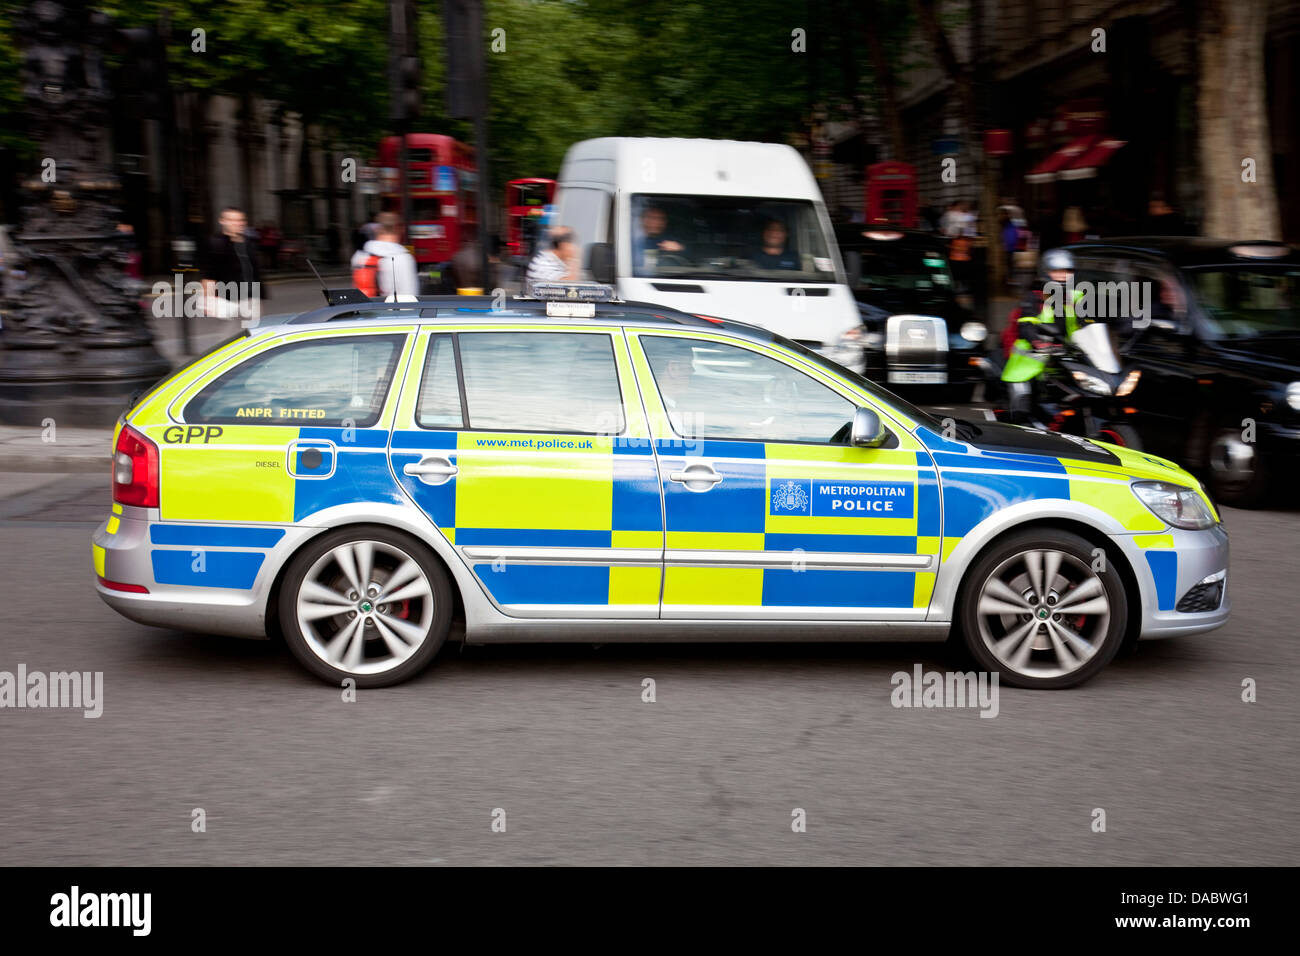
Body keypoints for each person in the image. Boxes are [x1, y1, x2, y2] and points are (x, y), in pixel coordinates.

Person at [1000, 248, 1091, 419]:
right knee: (1022, 407)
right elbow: (1026, 325)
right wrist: (1038, 342)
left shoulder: (1077, 296)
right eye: (1057, 271)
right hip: (1030, 360)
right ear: (1046, 272)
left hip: (1065, 357)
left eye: (1067, 271)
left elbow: (1093, 319)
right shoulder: (1035, 297)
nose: (1063, 275)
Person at [203, 207, 264, 312]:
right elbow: (209, 275)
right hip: (227, 299)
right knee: (231, 328)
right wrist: (209, 299)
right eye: (232, 220)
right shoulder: (215, 243)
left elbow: (254, 271)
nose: (238, 223)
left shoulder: (248, 242)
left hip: (250, 299)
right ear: (222, 221)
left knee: (254, 327)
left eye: (240, 220)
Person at [351, 219, 419, 299]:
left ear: (377, 231)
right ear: (399, 231)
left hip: (366, 308)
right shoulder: (403, 258)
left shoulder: (359, 256)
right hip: (391, 309)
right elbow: (409, 294)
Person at [525, 226, 580, 292]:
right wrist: (573, 260)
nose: (575, 247)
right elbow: (569, 288)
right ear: (563, 245)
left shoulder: (559, 261)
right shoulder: (543, 263)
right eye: (571, 242)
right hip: (541, 301)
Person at [633, 204, 686, 271]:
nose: (657, 222)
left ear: (665, 222)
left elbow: (695, 257)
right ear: (643, 220)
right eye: (652, 218)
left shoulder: (672, 241)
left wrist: (680, 248)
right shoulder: (631, 241)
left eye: (661, 219)